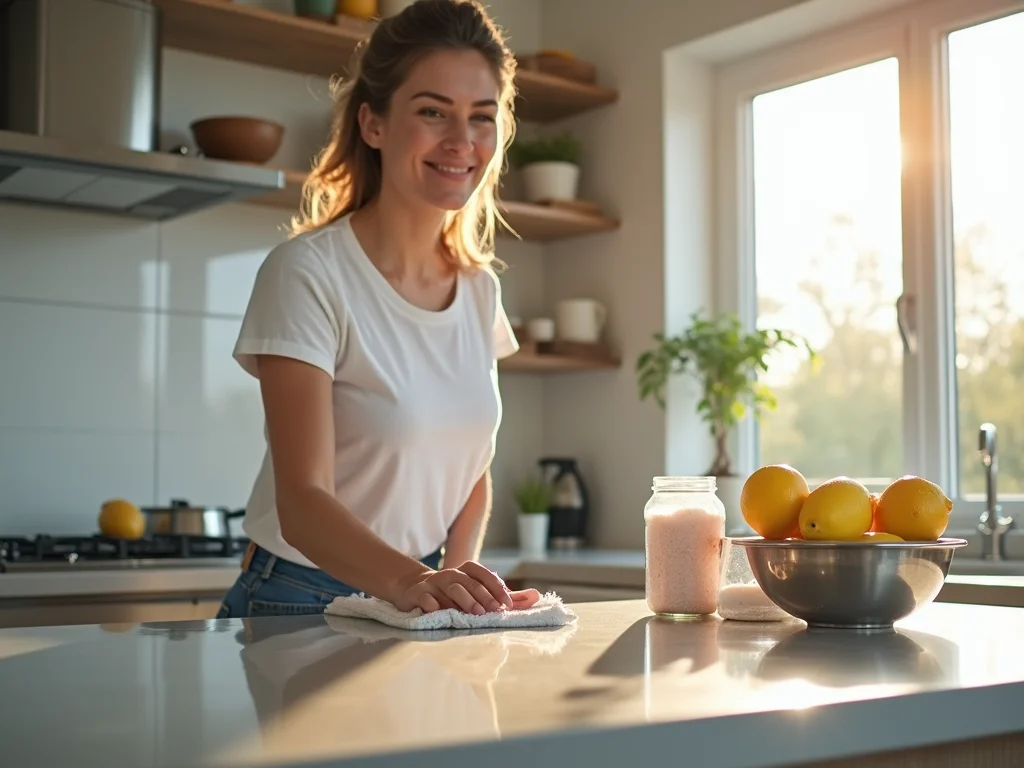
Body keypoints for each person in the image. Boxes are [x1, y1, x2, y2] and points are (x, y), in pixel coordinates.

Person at [217, 0, 540, 619]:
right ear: (373, 124)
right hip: (299, 597)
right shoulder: (307, 273)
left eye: (481, 116)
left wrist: (457, 590)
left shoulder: (479, 290)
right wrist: (419, 585)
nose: (461, 141)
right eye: (432, 111)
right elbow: (302, 503)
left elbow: (472, 467)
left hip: (416, 596)